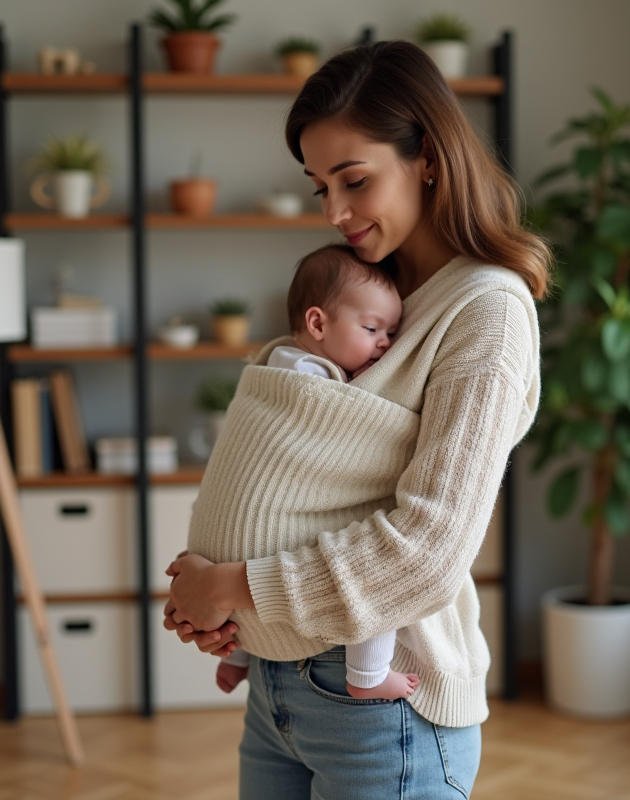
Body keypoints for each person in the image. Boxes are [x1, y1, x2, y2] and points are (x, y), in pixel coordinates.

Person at [163, 40, 550, 799]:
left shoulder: (487, 312)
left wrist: (235, 586)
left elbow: (427, 551)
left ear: (428, 159)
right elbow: (297, 463)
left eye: (355, 180)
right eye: (318, 188)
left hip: (387, 707)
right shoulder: (373, 296)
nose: (335, 212)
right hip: (276, 685)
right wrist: (214, 600)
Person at [215, 242, 421, 701]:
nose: (385, 343)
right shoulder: (311, 378)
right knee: (373, 572)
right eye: (372, 328)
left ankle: (236, 656)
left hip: (231, 552)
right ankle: (368, 675)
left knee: (261, 557)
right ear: (317, 323)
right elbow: (343, 447)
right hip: (265, 552)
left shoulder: (278, 359)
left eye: (391, 331)